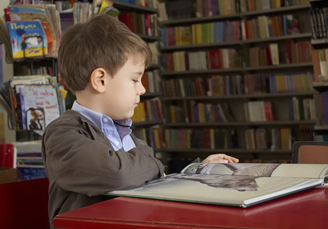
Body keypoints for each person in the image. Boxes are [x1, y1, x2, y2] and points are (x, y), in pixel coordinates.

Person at [41, 14, 239, 229]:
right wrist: (153, 162)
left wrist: (195, 172)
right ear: (100, 80)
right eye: (135, 79)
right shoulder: (62, 134)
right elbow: (117, 173)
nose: (142, 89)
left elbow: (148, 179)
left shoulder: (123, 131)